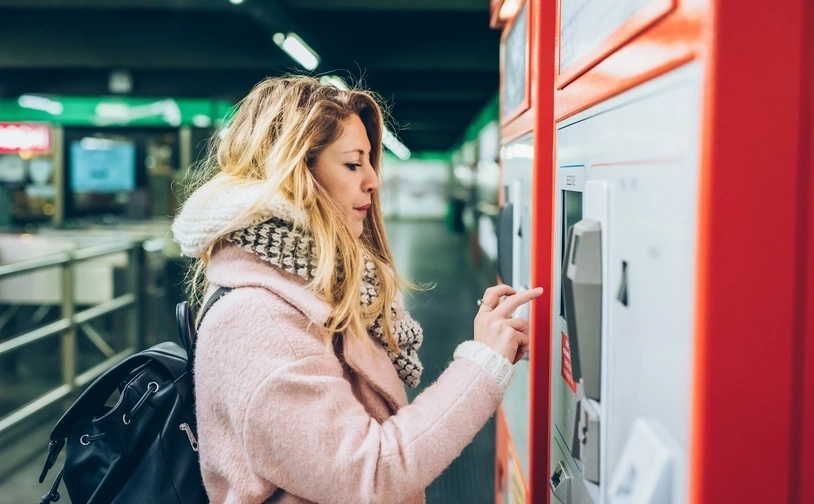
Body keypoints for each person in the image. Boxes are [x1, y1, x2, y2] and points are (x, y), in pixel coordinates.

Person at [170, 75, 543, 504]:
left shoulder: (311, 287)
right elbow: (369, 474)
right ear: (295, 173)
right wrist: (483, 365)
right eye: (352, 163)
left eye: (370, 162)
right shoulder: (258, 319)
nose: (373, 180)